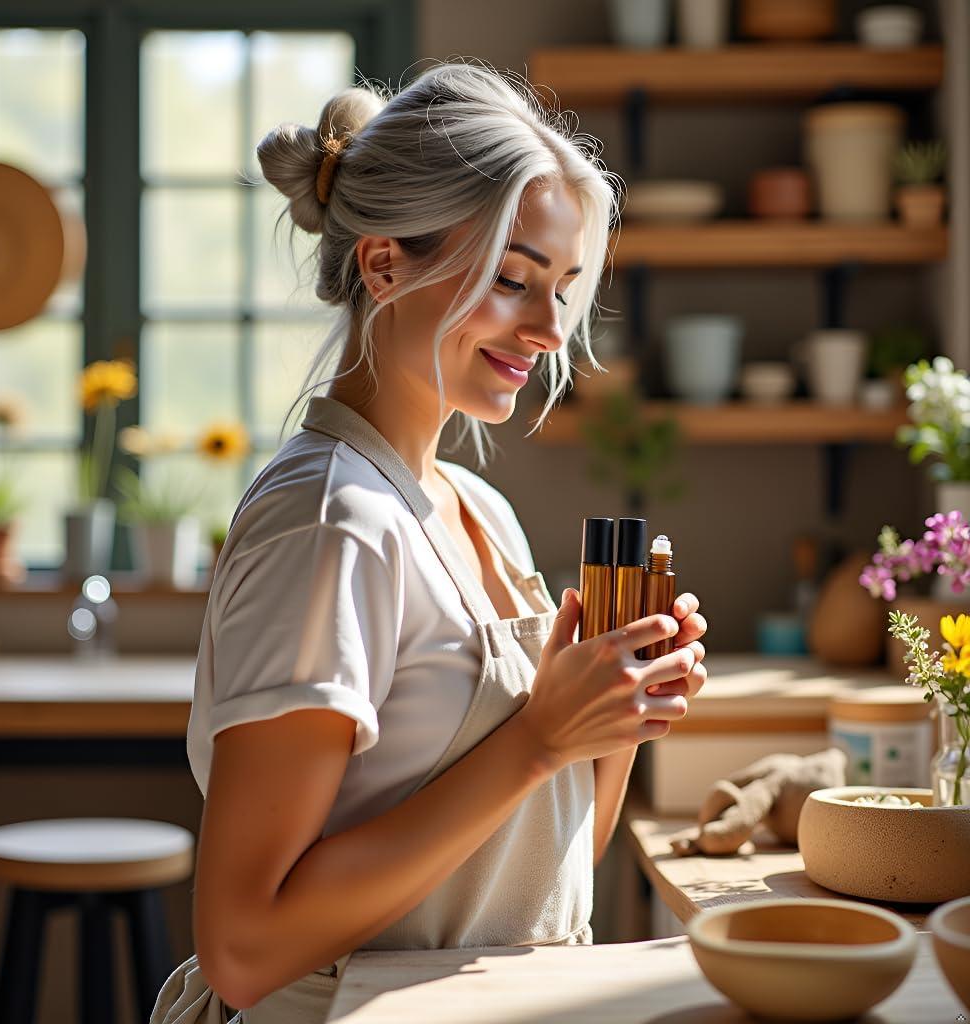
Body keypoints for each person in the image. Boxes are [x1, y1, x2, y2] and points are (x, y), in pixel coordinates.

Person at [150, 59, 708, 1024]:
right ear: (382, 264)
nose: (546, 329)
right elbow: (243, 949)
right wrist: (538, 738)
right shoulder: (329, 525)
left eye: (563, 288)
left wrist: (610, 718)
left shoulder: (476, 510)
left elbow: (532, 873)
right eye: (510, 280)